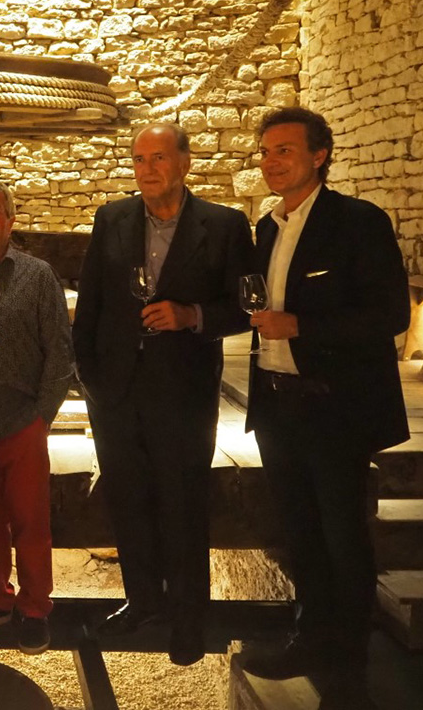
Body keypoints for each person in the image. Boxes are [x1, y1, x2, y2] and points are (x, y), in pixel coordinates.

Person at [242, 108, 409, 710]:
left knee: (343, 535)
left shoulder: (358, 223)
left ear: (319, 156)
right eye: (265, 151)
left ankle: (349, 655)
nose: (271, 161)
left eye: (284, 150)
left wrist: (301, 326)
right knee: (299, 534)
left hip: (334, 408)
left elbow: (389, 315)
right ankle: (309, 638)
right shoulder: (267, 227)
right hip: (278, 402)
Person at [72, 123, 252, 665]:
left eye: (158, 158)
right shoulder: (113, 218)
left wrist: (192, 315)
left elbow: (247, 307)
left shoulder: (223, 225)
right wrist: (92, 381)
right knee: (128, 501)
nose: (146, 169)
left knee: (184, 506)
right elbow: (92, 305)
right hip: (117, 393)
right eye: (138, 159)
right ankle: (143, 601)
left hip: (183, 392)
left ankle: (188, 618)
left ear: (185, 163)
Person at [0, 179, 74, 654]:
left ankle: (34, 608)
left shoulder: (37, 275)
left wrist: (40, 418)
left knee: (31, 522)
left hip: (21, 418)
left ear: (10, 219)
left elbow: (60, 354)